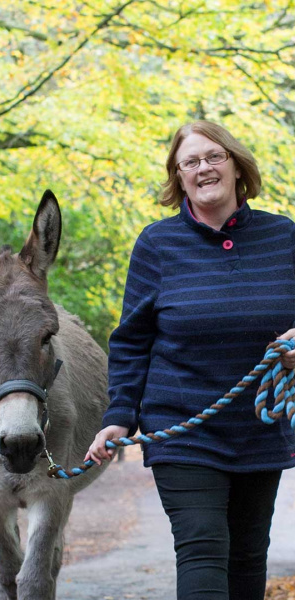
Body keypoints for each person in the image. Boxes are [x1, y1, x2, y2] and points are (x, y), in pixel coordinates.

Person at [85, 120, 295, 600]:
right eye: (191, 162)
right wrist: (119, 416)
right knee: (202, 549)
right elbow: (131, 341)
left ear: (237, 165)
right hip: (182, 429)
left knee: (246, 556)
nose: (204, 168)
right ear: (178, 177)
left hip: (261, 429)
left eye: (214, 157)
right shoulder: (157, 245)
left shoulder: (284, 237)